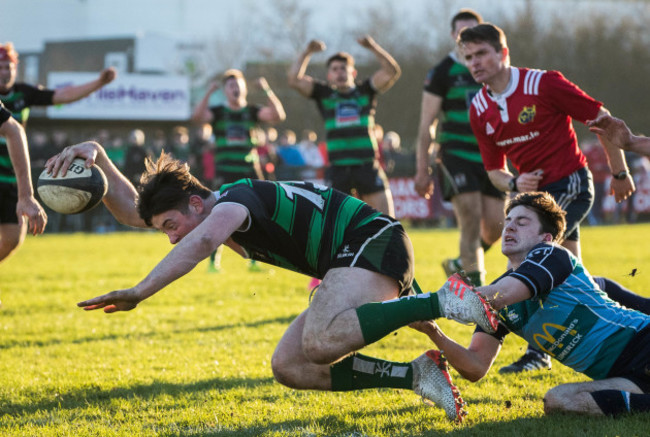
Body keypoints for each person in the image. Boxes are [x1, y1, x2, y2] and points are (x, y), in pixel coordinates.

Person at [47, 141, 502, 423]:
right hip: (352, 261)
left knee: (321, 342)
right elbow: (134, 213)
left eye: (170, 225)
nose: (170, 237)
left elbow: (203, 240)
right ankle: (415, 374)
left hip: (373, 241)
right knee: (290, 365)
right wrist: (100, 159)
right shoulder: (205, 211)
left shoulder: (231, 204)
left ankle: (441, 300)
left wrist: (139, 292)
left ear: (195, 203)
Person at [460, 23, 641, 373]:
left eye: (482, 53)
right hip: (533, 201)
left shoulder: (543, 83)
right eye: (468, 57)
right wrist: (514, 182)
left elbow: (603, 121)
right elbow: (494, 171)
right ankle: (641, 314)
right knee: (577, 280)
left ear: (503, 53)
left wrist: (620, 172)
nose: (475, 62)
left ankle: (529, 353)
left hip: (570, 185)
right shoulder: (479, 108)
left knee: (531, 264)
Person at [412, 191, 650, 417]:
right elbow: (475, 367)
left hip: (644, 344)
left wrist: (433, 302)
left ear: (545, 238)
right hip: (624, 375)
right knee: (557, 400)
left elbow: (501, 295)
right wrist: (433, 331)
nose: (510, 226)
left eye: (523, 222)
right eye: (508, 221)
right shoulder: (499, 294)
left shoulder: (551, 255)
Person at [0, 42, 115, 263]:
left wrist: (99, 83)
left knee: (13, 239)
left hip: (14, 179)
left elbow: (63, 94)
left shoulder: (24, 93)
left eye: (9, 67)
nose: (5, 73)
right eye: (1, 67)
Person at [415, 10, 504, 288]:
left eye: (472, 31)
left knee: (498, 227)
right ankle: (478, 292)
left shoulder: (494, 68)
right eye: (460, 32)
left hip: (491, 156)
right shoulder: (442, 72)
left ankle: (459, 264)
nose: (465, 36)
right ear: (453, 36)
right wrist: (422, 170)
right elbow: (426, 124)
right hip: (455, 155)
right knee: (470, 217)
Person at [288, 36, 400, 217]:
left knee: (387, 222)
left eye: (343, 68)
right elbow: (294, 80)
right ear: (329, 75)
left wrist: (373, 47)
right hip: (338, 169)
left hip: (366, 166)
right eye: (335, 69)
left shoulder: (366, 90)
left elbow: (391, 72)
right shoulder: (324, 94)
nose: (339, 72)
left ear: (353, 73)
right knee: (336, 227)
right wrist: (307, 52)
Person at [191, 69, 286, 273]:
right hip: (225, 171)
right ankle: (213, 263)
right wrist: (208, 93)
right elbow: (197, 117)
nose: (235, 89)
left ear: (244, 88)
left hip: (250, 170)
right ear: (225, 91)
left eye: (238, 85)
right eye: (230, 86)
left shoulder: (251, 111)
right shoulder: (218, 112)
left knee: (260, 214)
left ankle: (256, 259)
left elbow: (278, 115)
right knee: (217, 214)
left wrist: (267, 90)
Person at [0, 101, 46, 262]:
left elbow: (14, 130)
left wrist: (26, 195)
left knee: (12, 237)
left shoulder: (24, 93)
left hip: (9, 182)